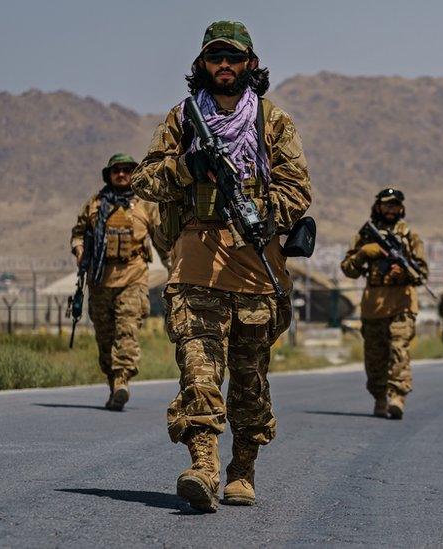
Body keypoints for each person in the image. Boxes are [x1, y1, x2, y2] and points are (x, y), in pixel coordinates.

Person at [131, 20, 312, 512]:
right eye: (215, 57)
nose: (225, 66)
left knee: (250, 379)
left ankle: (242, 470)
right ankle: (204, 468)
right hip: (195, 265)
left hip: (256, 268)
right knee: (199, 371)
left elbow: (299, 189)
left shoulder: (272, 122)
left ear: (250, 64)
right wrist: (190, 166)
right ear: (202, 65)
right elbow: (145, 180)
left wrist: (259, 209)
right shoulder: (184, 120)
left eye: (233, 57)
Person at [70, 153, 167, 411]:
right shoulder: (94, 205)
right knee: (104, 338)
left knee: (127, 331)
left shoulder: (145, 206)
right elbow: (78, 234)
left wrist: (176, 271)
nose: (121, 174)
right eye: (116, 170)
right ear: (109, 175)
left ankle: (123, 380)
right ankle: (113, 385)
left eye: (126, 170)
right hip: (100, 281)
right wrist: (79, 250)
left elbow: (163, 242)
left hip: (133, 278)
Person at [340, 188, 428, 420]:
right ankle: (380, 397)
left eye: (395, 205)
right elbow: (348, 269)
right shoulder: (366, 235)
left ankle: (397, 396)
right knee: (375, 355)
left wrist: (404, 272)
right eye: (387, 205)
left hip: (402, 303)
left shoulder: (410, 237)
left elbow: (422, 273)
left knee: (399, 350)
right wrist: (363, 255)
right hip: (374, 305)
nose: (391, 210)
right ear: (378, 206)